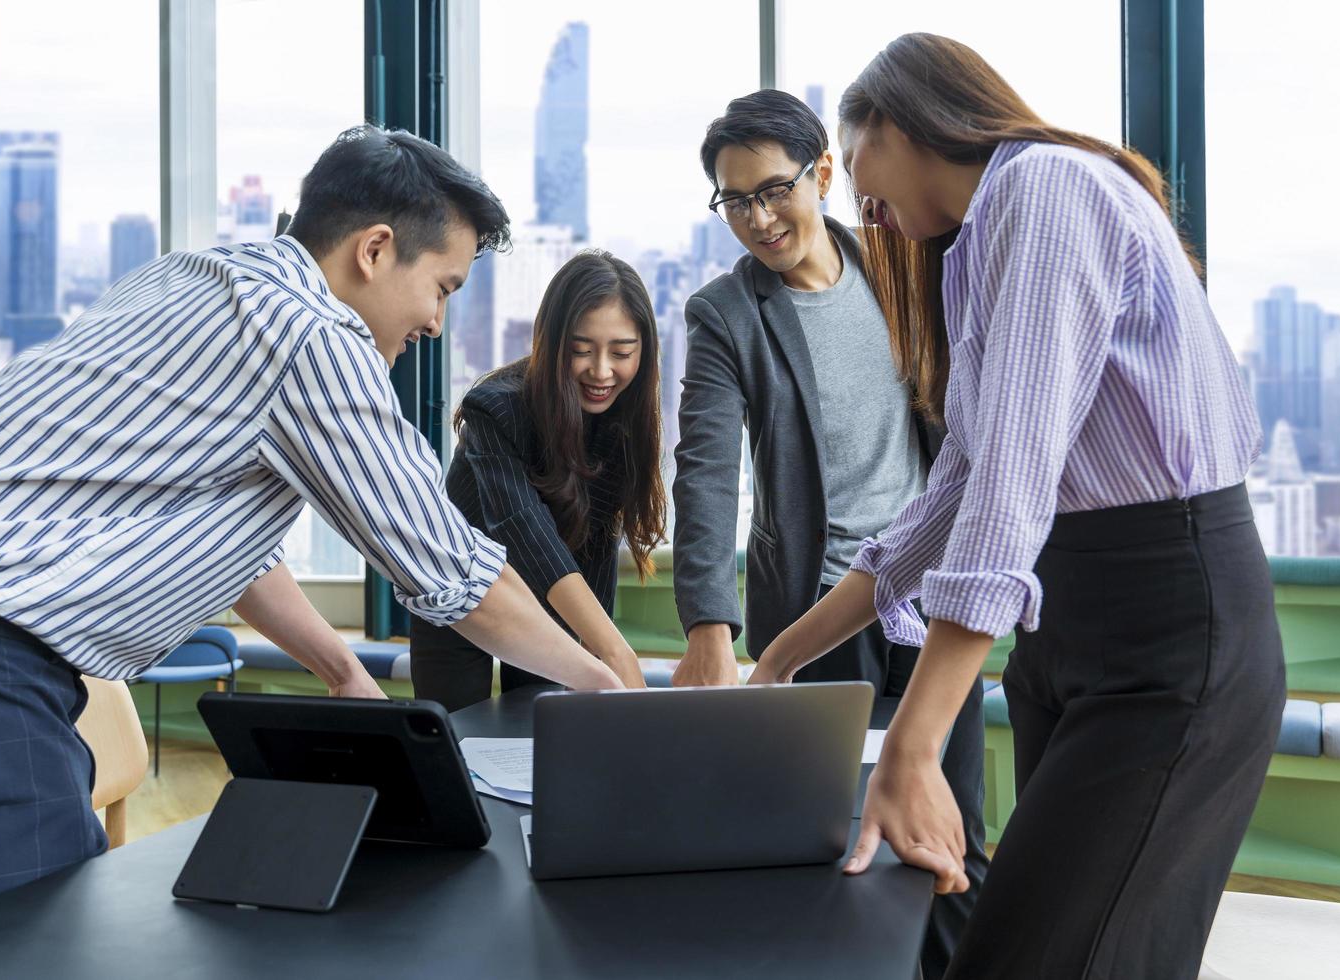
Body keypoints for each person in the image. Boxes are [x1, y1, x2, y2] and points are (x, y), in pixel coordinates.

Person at [0, 125, 624, 933]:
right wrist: (603, 691)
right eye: (443, 288)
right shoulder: (311, 335)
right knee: (23, 947)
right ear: (376, 250)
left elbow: (226, 547)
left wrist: (340, 668)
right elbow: (454, 575)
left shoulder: (190, 279)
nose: (437, 324)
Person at [748, 34, 1285, 979]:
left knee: (1034, 957)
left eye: (853, 151)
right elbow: (951, 492)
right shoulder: (974, 250)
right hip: (1070, 635)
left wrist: (914, 744)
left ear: (905, 119)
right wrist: (782, 658)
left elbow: (1011, 487)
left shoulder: (1044, 190)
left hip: (1172, 628)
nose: (852, 200)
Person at [670, 88, 986, 979]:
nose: (760, 218)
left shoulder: (902, 264)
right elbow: (704, 471)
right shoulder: (724, 315)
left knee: (952, 829)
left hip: (931, 602)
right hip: (817, 613)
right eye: (736, 201)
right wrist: (709, 628)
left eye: (774, 190)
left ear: (822, 173)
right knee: (833, 842)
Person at [411, 250, 664, 710]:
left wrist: (598, 645)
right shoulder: (495, 407)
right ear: (551, 342)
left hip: (550, 598)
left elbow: (596, 550)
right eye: (581, 350)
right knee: (450, 732)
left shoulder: (622, 423)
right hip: (458, 592)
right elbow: (522, 528)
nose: (602, 371)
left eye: (622, 352)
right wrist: (613, 649)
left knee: (543, 723)